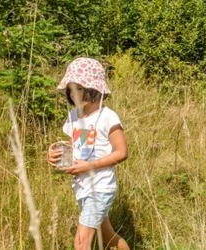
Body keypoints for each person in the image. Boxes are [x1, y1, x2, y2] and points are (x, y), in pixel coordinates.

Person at [47, 57, 130, 250]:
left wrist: (89, 166)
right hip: (81, 187)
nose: (72, 94)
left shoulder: (108, 117)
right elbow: (73, 147)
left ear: (93, 88)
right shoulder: (73, 116)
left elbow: (122, 152)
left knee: (81, 242)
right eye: (69, 89)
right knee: (109, 238)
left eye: (78, 88)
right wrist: (54, 154)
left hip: (99, 187)